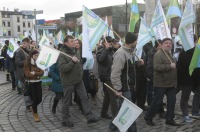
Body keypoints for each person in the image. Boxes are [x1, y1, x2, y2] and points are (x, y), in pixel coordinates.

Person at [58, 35, 99, 128]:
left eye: (74, 41)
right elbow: (63, 69)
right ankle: (65, 120)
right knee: (66, 101)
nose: (74, 43)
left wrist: (80, 74)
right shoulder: (62, 54)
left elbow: (79, 64)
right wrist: (72, 62)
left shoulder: (76, 51)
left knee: (84, 97)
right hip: (68, 81)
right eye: (71, 41)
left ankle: (89, 117)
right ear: (66, 43)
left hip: (78, 80)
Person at [144, 38, 181, 126]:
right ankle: (148, 116)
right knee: (157, 101)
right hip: (161, 82)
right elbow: (157, 67)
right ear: (162, 44)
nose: (168, 45)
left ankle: (169, 119)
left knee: (172, 101)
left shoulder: (169, 53)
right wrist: (169, 66)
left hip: (171, 83)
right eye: (166, 43)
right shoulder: (158, 54)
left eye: (170, 44)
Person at [111, 32, 138, 132]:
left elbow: (129, 68)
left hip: (130, 87)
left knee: (122, 110)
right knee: (129, 111)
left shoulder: (130, 51)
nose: (137, 42)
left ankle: (113, 127)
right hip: (125, 88)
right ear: (132, 41)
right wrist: (118, 88)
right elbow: (115, 73)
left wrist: (138, 63)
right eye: (136, 41)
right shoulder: (120, 53)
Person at [178, 35, 200, 122]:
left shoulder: (197, 51)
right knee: (185, 97)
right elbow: (187, 66)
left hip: (196, 79)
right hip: (186, 79)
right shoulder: (184, 51)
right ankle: (185, 114)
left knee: (198, 94)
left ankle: (195, 111)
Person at [96, 36, 118, 120]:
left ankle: (103, 113)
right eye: (110, 42)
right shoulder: (100, 51)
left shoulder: (111, 51)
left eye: (112, 43)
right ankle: (115, 116)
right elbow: (101, 60)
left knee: (108, 96)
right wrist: (106, 48)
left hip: (111, 75)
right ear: (105, 43)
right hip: (105, 77)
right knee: (113, 96)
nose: (111, 44)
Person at [24, 50, 44, 122]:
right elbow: (28, 74)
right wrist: (36, 73)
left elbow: (42, 72)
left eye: (38, 55)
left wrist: (34, 73)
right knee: (34, 99)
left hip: (38, 82)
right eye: (35, 56)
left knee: (40, 99)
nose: (37, 57)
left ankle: (32, 107)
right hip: (31, 83)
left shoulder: (39, 62)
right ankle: (35, 115)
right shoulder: (27, 63)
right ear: (32, 56)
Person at [15, 38, 32, 109]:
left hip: (31, 73)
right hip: (23, 74)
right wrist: (26, 60)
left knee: (31, 89)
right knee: (26, 89)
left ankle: (32, 102)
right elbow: (18, 62)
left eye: (25, 43)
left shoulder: (31, 51)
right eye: (23, 43)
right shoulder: (19, 52)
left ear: (28, 43)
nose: (23, 44)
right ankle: (28, 105)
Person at [49, 44, 63, 114]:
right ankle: (54, 107)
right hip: (57, 82)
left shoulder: (66, 60)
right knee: (58, 97)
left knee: (66, 98)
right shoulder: (54, 61)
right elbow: (51, 71)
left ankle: (65, 111)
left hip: (65, 81)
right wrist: (58, 78)